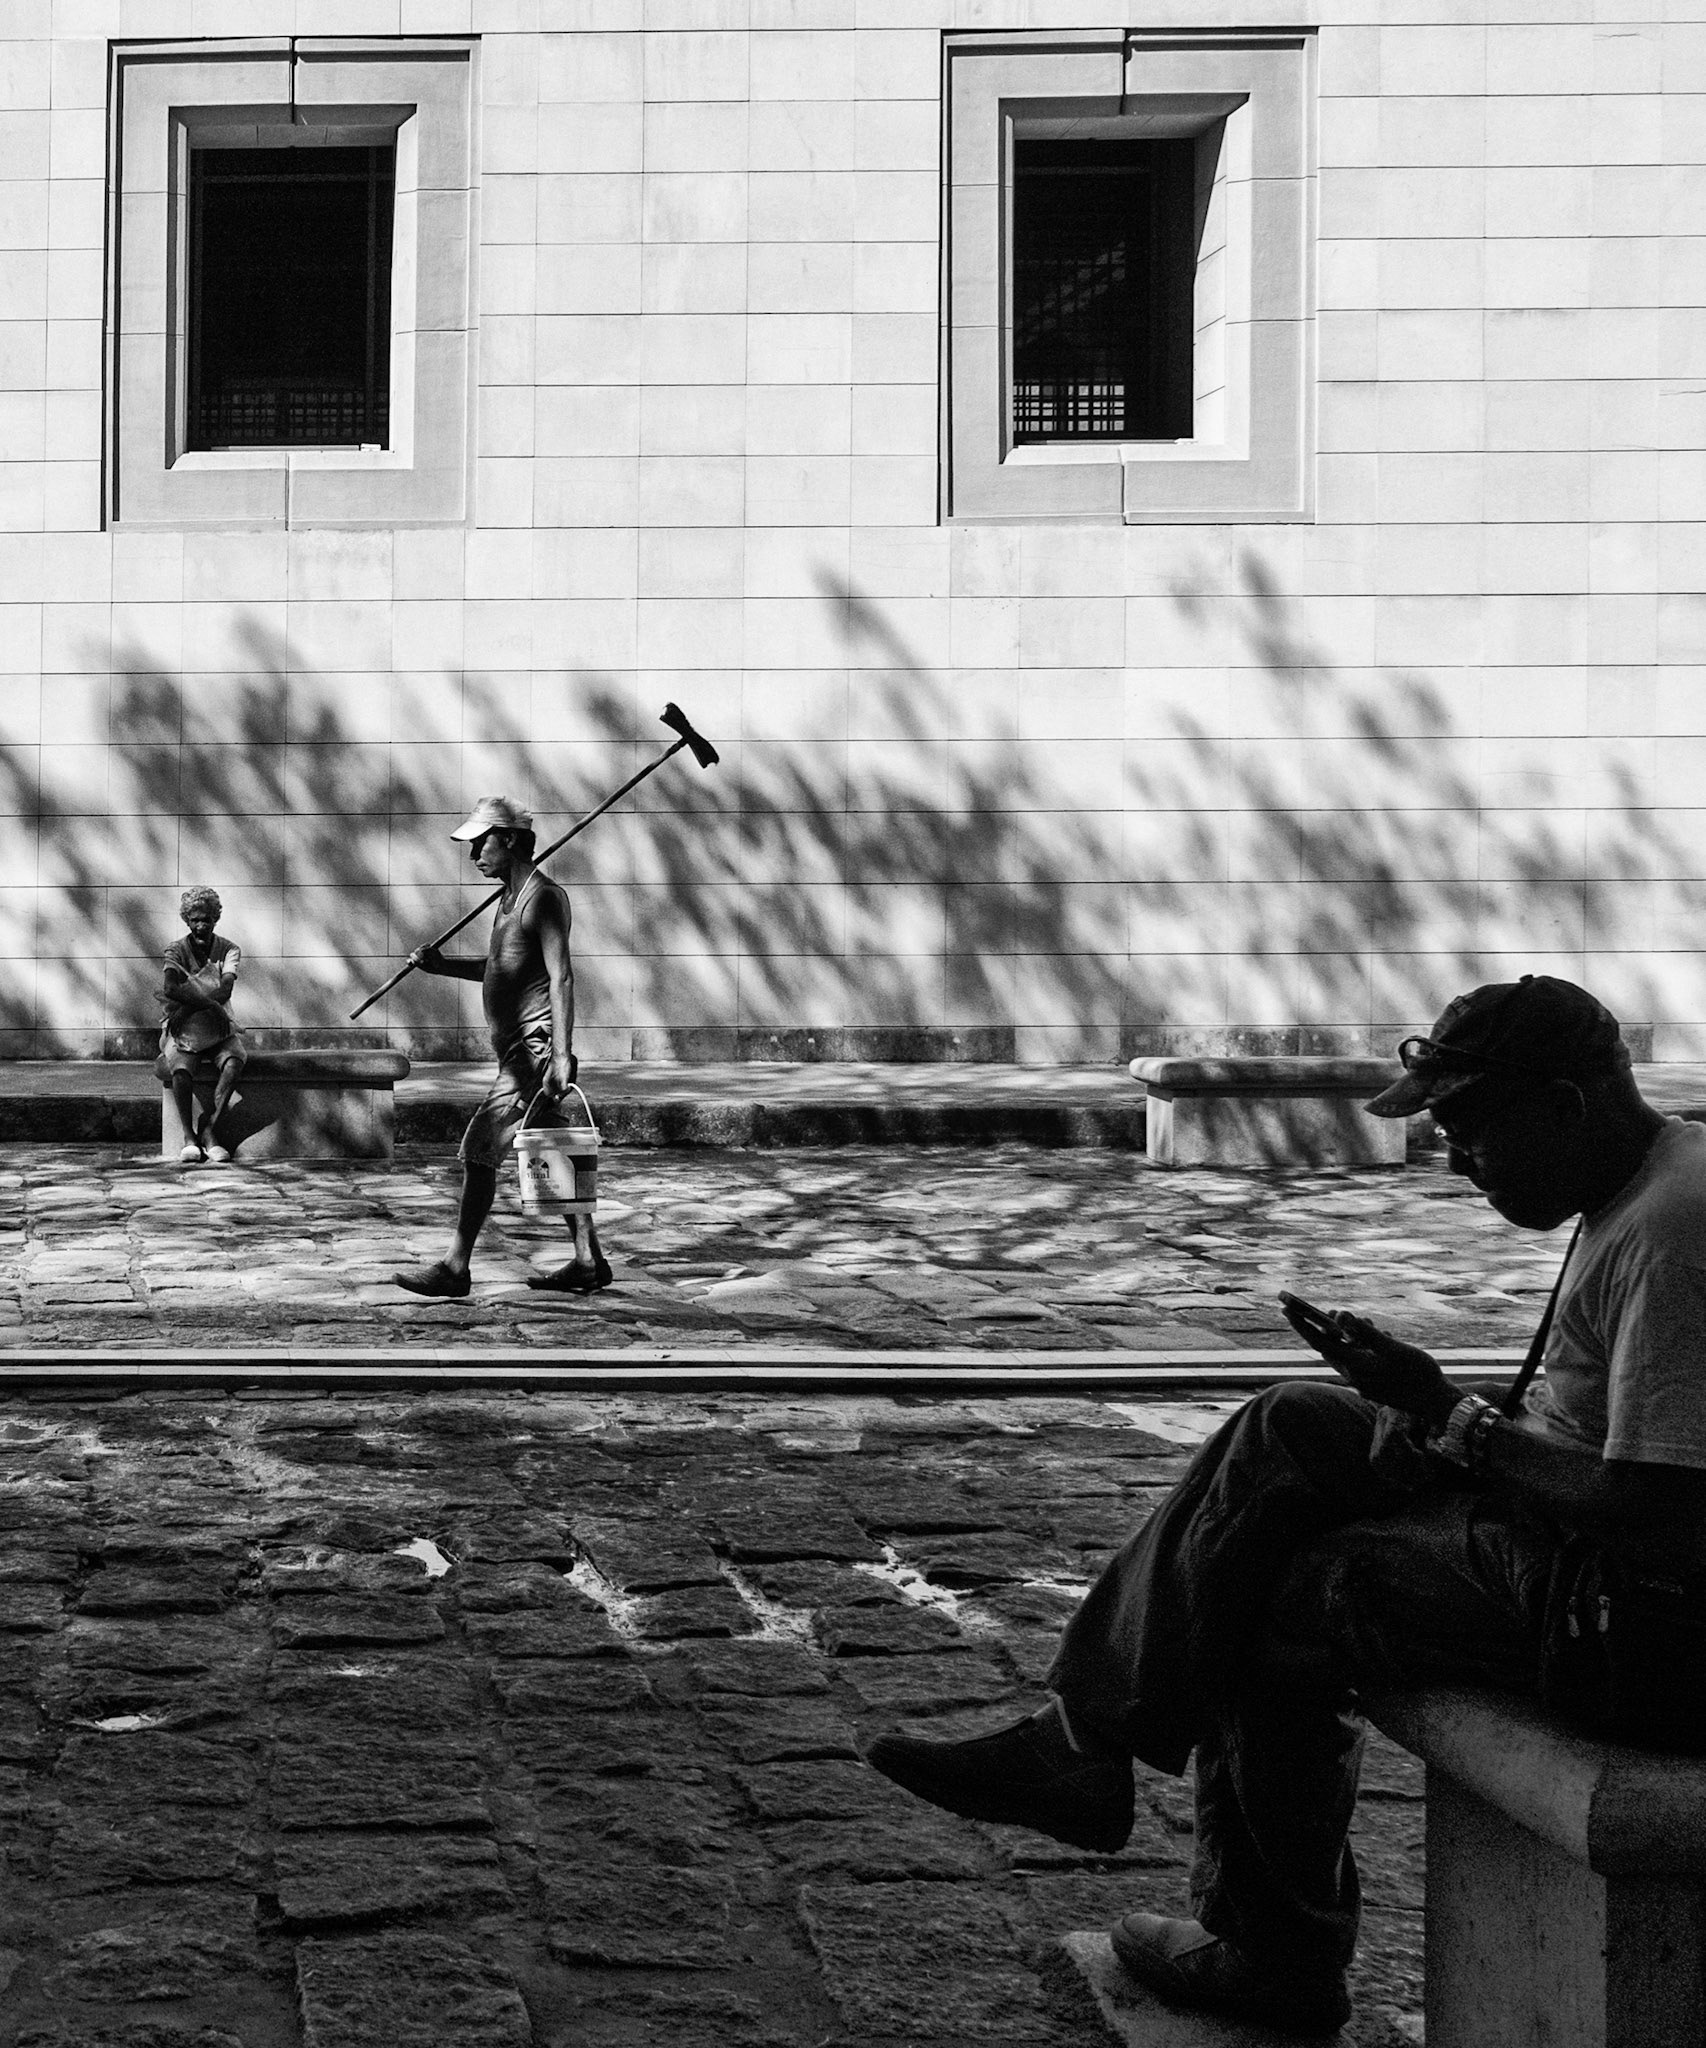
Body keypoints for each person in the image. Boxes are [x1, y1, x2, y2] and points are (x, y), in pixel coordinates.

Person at [864, 975, 1706, 2035]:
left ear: (1564, 1107)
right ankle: (1081, 1739)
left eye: (1470, 1134)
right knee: (1292, 1423)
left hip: (1634, 1616)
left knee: (1269, 1581)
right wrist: (1428, 1407)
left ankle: (1270, 1949)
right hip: (1579, 1544)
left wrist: (1452, 1420)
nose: (1457, 1163)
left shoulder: (1671, 1234)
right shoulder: (1649, 1179)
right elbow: (1605, 1425)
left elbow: (1662, 1513)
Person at [392, 795, 610, 1300]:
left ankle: (455, 1267)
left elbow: (561, 977)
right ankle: (587, 1260)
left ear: (509, 840)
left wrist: (561, 1054)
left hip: (533, 1054)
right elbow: (499, 969)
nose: (474, 856)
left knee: (478, 1149)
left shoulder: (544, 899)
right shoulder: (507, 900)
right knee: (553, 1148)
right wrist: (442, 966)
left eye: (480, 844)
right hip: (514, 1050)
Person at [155, 886, 245, 1165]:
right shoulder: (176, 950)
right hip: (183, 1029)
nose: (201, 926)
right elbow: (170, 987)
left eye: (206, 919)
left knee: (235, 1061)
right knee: (181, 1069)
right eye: (195, 920)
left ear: (215, 918)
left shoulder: (228, 950)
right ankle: (188, 1137)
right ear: (187, 920)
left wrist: (191, 1006)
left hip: (218, 1028)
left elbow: (225, 989)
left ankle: (210, 1129)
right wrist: (205, 1006)